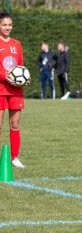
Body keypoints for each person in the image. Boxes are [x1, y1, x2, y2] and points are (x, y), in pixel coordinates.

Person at [0, 12, 28, 168]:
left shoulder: (17, 44)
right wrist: (6, 77)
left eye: (9, 25)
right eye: (4, 24)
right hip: (0, 89)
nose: (7, 27)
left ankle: (14, 157)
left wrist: (24, 78)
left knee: (15, 123)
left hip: (15, 90)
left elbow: (21, 66)